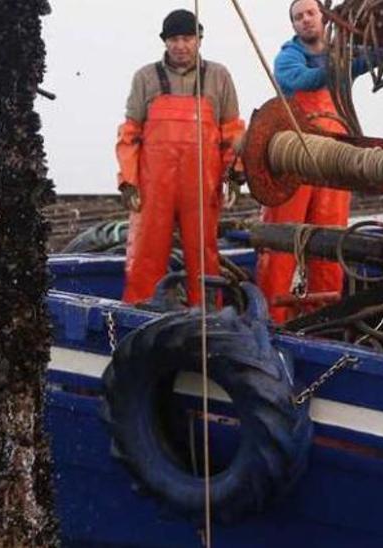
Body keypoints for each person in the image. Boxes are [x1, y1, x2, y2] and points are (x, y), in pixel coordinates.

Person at [114, 9, 245, 305]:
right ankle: (139, 317)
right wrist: (128, 182)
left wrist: (235, 175)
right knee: (146, 255)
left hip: (201, 186)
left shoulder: (219, 76)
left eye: (187, 38)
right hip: (153, 189)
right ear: (164, 42)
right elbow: (129, 134)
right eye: (174, 39)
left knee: (204, 256)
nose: (181, 45)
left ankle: (209, 319)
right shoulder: (145, 77)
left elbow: (232, 134)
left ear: (199, 40)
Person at [258, 0, 365, 323]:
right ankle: (272, 318)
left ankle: (324, 319)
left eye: (310, 14)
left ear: (323, 17)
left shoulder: (341, 56)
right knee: (281, 243)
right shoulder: (287, 58)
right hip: (293, 163)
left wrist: (382, 52)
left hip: (332, 163)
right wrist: (346, 64)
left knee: (331, 244)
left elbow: (367, 62)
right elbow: (303, 81)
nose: (305, 20)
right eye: (298, 17)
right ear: (293, 26)